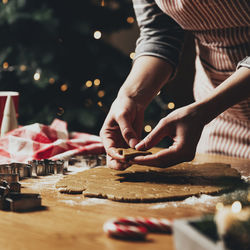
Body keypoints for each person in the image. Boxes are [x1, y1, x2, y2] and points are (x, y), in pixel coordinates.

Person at [100, 0, 250, 170]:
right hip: (220, 121)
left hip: (208, 111)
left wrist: (205, 111)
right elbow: (160, 31)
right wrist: (130, 96)